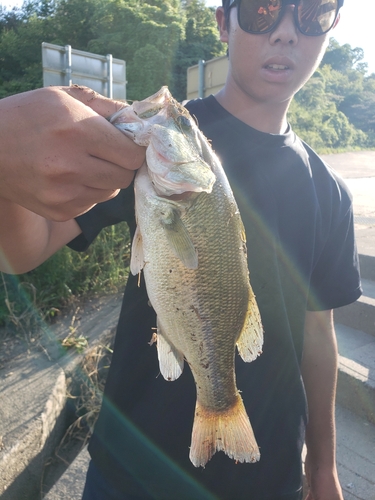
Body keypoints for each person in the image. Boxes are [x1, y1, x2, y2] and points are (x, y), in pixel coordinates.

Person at [0, 0, 362, 499]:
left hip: (271, 476)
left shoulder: (331, 192)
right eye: (262, 11)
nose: (285, 33)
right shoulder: (152, 141)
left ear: (332, 26)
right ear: (223, 22)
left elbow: (318, 333)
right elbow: (25, 250)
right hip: (130, 470)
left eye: (312, 14)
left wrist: (323, 467)